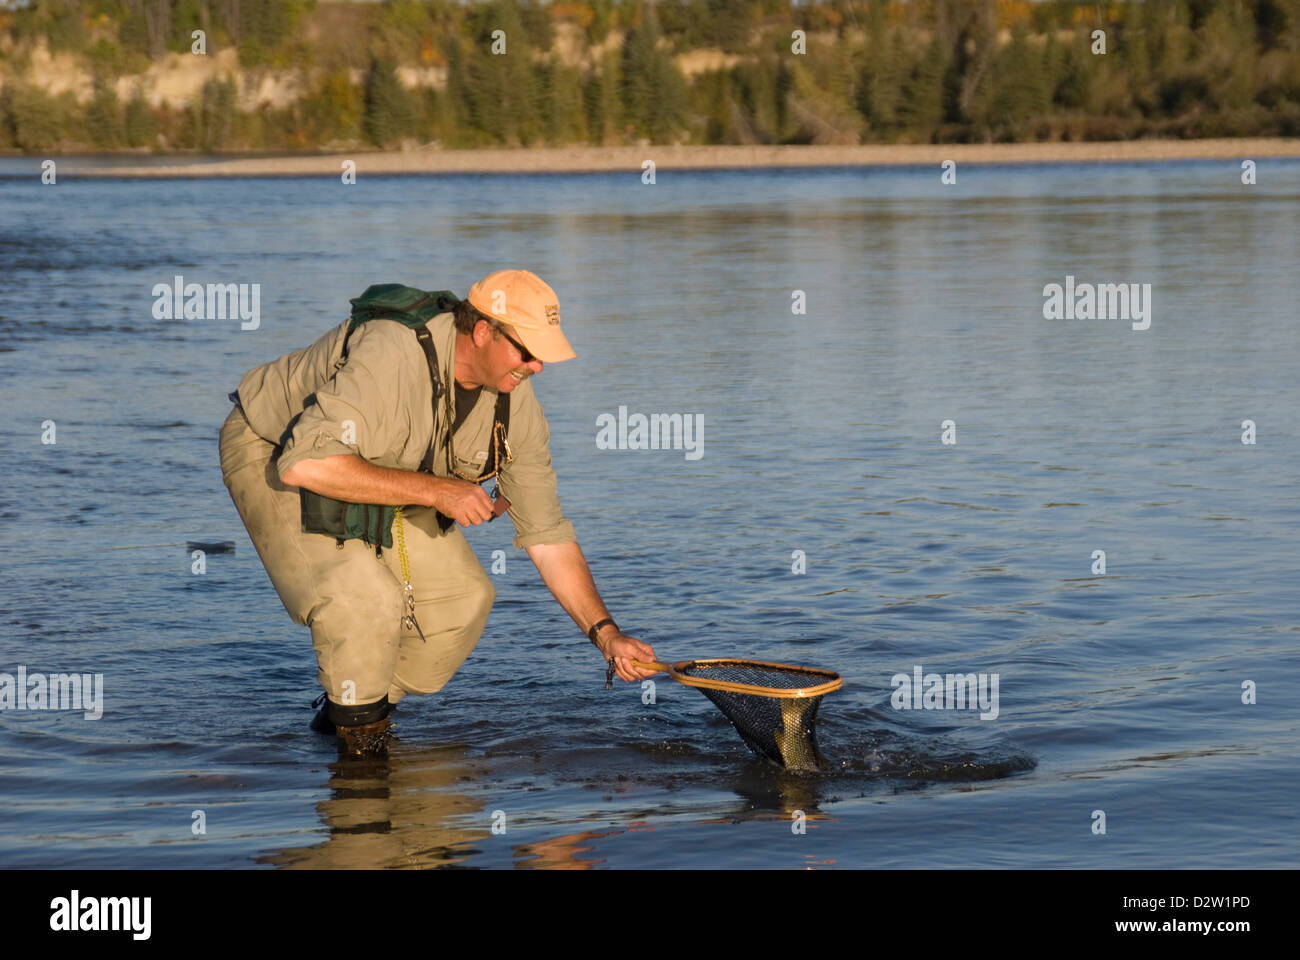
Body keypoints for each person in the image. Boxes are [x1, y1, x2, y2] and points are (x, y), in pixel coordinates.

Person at [219, 269, 657, 755]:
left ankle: (346, 718)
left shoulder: (515, 402)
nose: (537, 367)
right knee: (366, 603)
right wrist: (438, 492)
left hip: (380, 468)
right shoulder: (391, 352)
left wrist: (606, 634)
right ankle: (360, 783)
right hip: (275, 449)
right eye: (527, 352)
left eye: (543, 356)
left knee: (462, 601)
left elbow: (547, 533)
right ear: (484, 331)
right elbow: (306, 463)